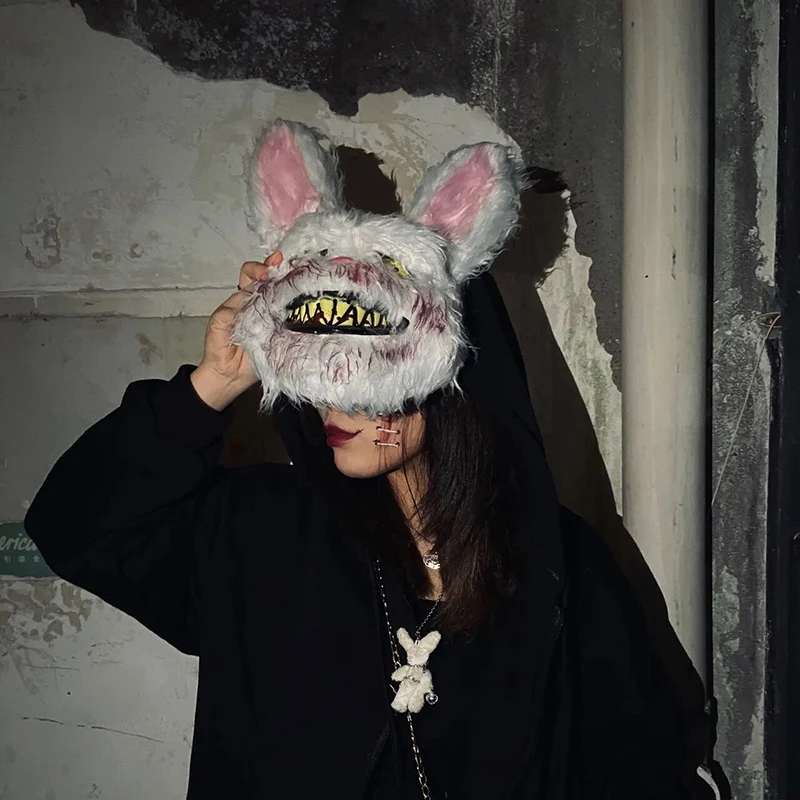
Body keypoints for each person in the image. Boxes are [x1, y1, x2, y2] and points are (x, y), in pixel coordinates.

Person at [26, 122, 695, 798]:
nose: (334, 402)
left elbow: (642, 762)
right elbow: (74, 527)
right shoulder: (262, 533)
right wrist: (214, 383)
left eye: (368, 370)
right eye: (319, 368)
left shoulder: (557, 564)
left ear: (453, 379)